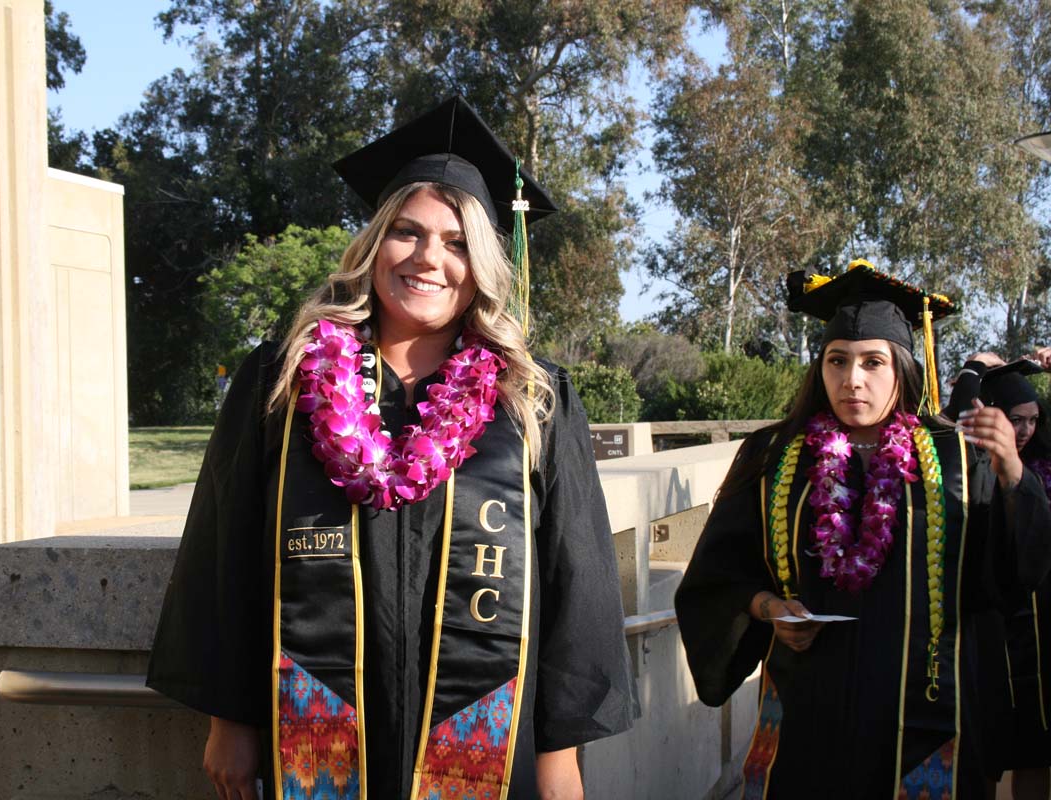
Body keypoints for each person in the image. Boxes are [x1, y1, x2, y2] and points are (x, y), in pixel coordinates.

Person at [146, 96, 637, 800]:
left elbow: (576, 578)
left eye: (458, 240)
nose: (429, 258)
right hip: (314, 727)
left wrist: (561, 753)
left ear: (485, 262)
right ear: (375, 243)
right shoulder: (283, 380)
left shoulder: (531, 397)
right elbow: (223, 552)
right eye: (406, 232)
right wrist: (232, 717)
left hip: (489, 735)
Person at [674, 260, 1051, 799]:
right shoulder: (776, 457)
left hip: (928, 725)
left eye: (873, 362)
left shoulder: (960, 462)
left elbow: (1016, 578)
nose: (852, 379)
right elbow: (718, 577)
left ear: (901, 368)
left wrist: (1013, 470)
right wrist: (768, 608)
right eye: (837, 361)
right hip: (807, 721)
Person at [945, 348, 1051, 800]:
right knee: (981, 747)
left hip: (1039, 631)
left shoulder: (1043, 460)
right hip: (986, 629)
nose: (1024, 431)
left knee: (1036, 746)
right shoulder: (963, 463)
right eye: (1015, 419)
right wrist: (975, 370)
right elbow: (955, 414)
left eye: (1032, 420)